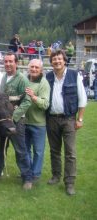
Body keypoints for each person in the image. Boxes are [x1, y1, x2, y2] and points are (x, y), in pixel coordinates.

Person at [46, 50, 87, 195]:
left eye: (59, 59)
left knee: (70, 152)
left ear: (64, 60)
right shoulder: (48, 76)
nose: (57, 61)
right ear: (51, 62)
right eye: (54, 59)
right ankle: (56, 176)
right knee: (54, 150)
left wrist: (80, 119)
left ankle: (69, 182)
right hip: (51, 119)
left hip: (69, 119)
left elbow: (82, 99)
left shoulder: (74, 75)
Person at [0, 51, 33, 190]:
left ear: (16, 63)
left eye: (10, 61)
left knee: (20, 150)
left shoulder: (22, 79)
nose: (8, 64)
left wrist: (13, 117)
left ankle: (27, 178)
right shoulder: (4, 77)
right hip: (3, 120)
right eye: (6, 61)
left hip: (16, 121)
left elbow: (27, 101)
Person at [25, 59, 50, 181]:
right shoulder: (24, 80)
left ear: (41, 70)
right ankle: (28, 171)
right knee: (25, 150)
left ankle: (36, 174)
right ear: (28, 68)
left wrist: (34, 97)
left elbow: (45, 104)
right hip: (23, 122)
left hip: (38, 124)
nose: (34, 69)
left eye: (36, 67)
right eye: (32, 67)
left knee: (38, 151)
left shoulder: (43, 83)